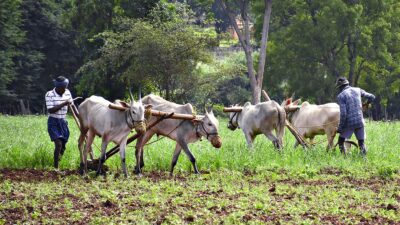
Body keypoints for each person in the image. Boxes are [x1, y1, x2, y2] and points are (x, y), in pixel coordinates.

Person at [335, 77, 375, 156]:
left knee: (340, 141)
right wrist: (366, 104)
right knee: (361, 143)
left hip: (349, 123)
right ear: (347, 84)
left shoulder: (341, 96)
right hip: (360, 121)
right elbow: (372, 97)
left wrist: (340, 128)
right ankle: (364, 161)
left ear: (340, 87)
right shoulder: (358, 90)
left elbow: (343, 114)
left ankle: (345, 159)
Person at [45, 76, 73, 168]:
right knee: (58, 144)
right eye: (63, 88)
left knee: (63, 146)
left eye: (66, 87)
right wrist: (64, 103)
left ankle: (58, 162)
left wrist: (80, 118)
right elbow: (51, 110)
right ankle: (56, 167)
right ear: (58, 87)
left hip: (63, 122)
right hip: (53, 122)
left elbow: (72, 106)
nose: (65, 90)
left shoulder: (67, 93)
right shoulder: (49, 94)